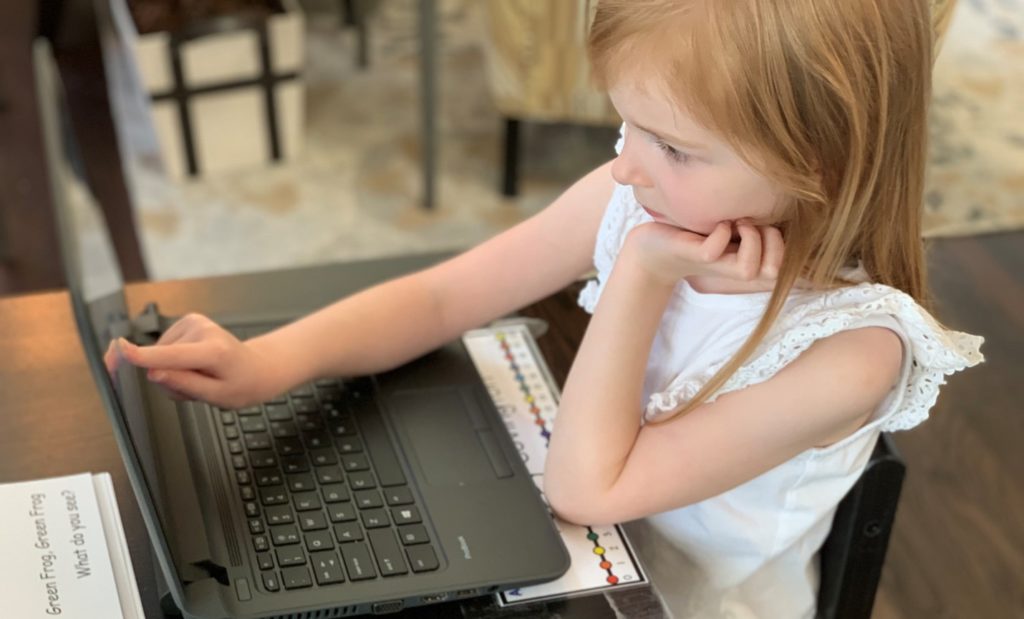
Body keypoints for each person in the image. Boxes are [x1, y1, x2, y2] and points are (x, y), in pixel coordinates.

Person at [106, 0, 985, 616]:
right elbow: (446, 292)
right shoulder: (645, 196)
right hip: (577, 551)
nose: (629, 165)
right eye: (626, 123)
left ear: (817, 164)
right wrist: (269, 363)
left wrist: (641, 278)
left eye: (673, 146)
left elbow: (587, 488)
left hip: (670, 602)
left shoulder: (854, 351)